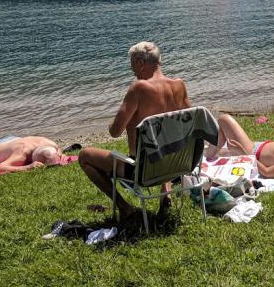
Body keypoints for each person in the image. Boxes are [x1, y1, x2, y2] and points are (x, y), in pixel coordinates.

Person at [78, 41, 190, 225]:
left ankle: (125, 208)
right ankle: (166, 194)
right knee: (162, 138)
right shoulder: (179, 85)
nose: (132, 69)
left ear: (140, 62)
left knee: (85, 155)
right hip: (176, 165)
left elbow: (115, 131)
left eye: (132, 64)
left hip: (143, 172)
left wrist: (122, 120)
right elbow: (186, 125)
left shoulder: (139, 88)